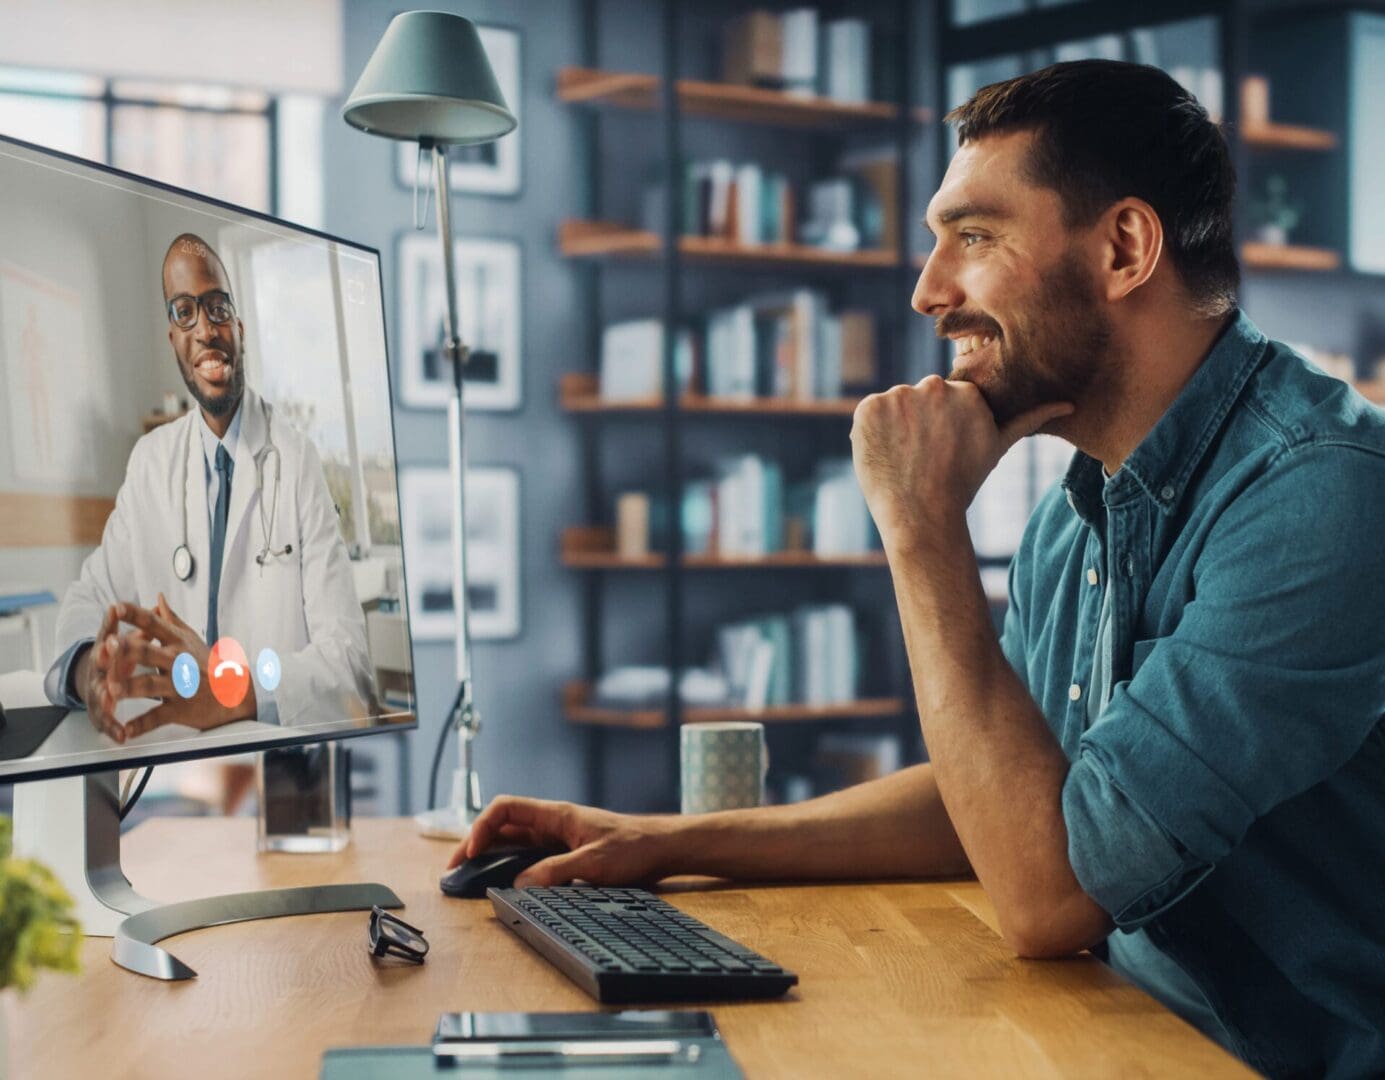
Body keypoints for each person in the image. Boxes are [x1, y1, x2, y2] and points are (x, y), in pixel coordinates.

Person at [449, 61, 1385, 1077]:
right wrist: (659, 843)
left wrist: (919, 525)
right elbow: (1000, 803)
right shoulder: (1079, 509)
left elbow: (1045, 893)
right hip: (1119, 1036)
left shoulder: (1319, 496)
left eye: (973, 237)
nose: (927, 291)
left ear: (1123, 247)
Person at [45, 233, 376, 739]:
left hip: (271, 756)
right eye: (184, 312)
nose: (205, 328)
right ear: (173, 339)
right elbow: (88, 600)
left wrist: (235, 687)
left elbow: (348, 660)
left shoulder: (296, 458)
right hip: (175, 755)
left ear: (240, 329)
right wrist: (91, 668)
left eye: (217, 307)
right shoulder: (150, 462)